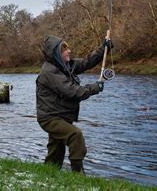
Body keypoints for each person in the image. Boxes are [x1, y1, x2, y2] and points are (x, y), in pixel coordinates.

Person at [36, 35, 113, 173]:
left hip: (60, 116)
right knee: (75, 135)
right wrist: (94, 88)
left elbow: (86, 62)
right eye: (65, 49)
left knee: (56, 151)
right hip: (50, 118)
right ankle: (78, 175)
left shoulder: (65, 65)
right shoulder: (49, 72)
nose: (69, 51)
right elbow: (72, 92)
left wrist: (103, 48)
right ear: (57, 54)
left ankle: (47, 175)